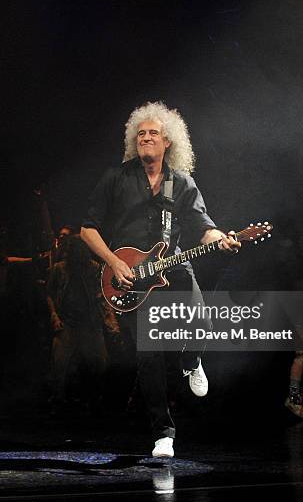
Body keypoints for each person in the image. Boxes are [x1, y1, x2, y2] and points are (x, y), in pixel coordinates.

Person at [81, 100, 239, 457]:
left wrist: (223, 240)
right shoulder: (116, 178)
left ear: (168, 141)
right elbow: (87, 229)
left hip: (172, 267)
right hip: (130, 275)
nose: (146, 138)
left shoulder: (181, 182)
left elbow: (203, 227)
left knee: (202, 322)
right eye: (141, 134)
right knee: (149, 356)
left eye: (153, 133)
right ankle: (163, 434)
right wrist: (114, 263)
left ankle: (191, 360)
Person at [47, 235, 108, 412]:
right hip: (67, 322)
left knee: (100, 362)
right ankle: (58, 400)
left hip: (89, 323)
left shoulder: (94, 269)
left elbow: (100, 297)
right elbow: (49, 293)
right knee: (60, 365)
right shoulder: (60, 269)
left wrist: (110, 325)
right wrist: (55, 317)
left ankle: (93, 399)